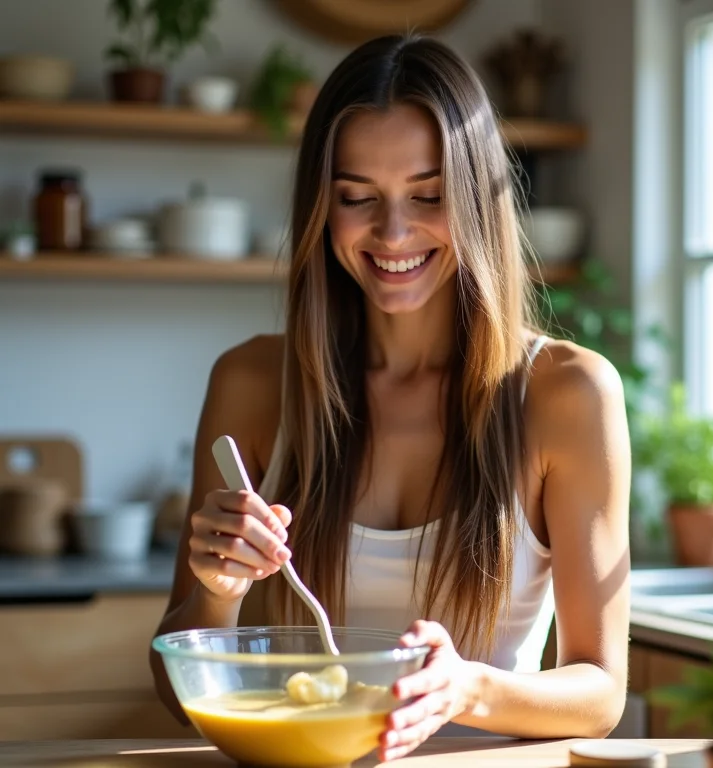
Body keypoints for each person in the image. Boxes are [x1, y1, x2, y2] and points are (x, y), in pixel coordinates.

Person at [150, 34, 631, 762]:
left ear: (475, 199)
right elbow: (171, 686)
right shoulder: (251, 385)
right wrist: (217, 589)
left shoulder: (566, 393)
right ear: (322, 205)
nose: (394, 232)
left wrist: (466, 688)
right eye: (356, 198)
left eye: (429, 195)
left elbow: (600, 693)